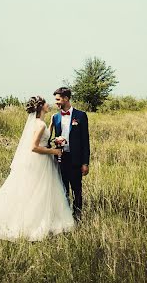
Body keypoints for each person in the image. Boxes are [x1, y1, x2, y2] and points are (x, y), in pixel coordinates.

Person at [0, 96, 75, 241]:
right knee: (39, 191)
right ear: (41, 107)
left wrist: (53, 135)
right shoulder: (40, 125)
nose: (49, 104)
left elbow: (42, 138)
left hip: (42, 161)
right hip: (40, 161)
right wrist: (54, 151)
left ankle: (39, 218)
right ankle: (33, 222)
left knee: (37, 190)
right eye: (45, 103)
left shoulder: (39, 123)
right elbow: (34, 147)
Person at [50, 87, 90, 222]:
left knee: (77, 190)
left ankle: (77, 217)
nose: (56, 102)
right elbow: (49, 139)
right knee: (63, 190)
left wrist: (85, 163)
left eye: (58, 99)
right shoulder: (55, 117)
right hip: (60, 158)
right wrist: (55, 140)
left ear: (66, 98)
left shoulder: (81, 115)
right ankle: (65, 218)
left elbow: (85, 141)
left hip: (76, 159)